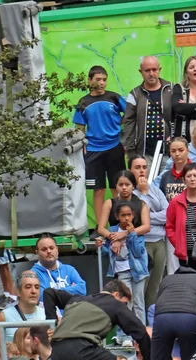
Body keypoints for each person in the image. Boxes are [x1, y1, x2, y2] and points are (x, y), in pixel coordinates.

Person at [73, 65, 127, 225]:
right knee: (99, 190)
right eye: (98, 79)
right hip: (93, 150)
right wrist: (82, 144)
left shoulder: (114, 98)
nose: (102, 83)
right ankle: (100, 226)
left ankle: (119, 224)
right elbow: (80, 127)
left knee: (117, 187)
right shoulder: (83, 102)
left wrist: (118, 123)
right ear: (90, 80)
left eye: (104, 79)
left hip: (114, 148)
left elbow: (130, 112)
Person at [98, 201, 149, 331]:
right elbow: (106, 253)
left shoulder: (137, 230)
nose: (126, 218)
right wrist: (103, 246)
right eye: (123, 215)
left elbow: (138, 252)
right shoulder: (112, 231)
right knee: (125, 302)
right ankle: (124, 334)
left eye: (129, 215)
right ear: (117, 216)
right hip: (121, 270)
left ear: (133, 215)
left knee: (138, 303)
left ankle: (141, 331)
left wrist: (131, 234)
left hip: (138, 270)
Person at [129, 155, 170, 305]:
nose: (142, 171)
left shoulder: (156, 190)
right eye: (137, 167)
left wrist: (147, 216)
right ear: (130, 170)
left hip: (159, 241)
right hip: (141, 243)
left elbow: (167, 215)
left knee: (155, 286)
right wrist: (144, 194)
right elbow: (135, 218)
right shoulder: (129, 192)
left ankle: (151, 317)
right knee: (141, 286)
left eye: (144, 167)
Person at [124, 56, 172, 163]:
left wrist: (176, 138)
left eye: (154, 69)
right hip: (144, 153)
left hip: (169, 151)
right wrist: (131, 150)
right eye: (147, 70)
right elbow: (129, 122)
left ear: (159, 70)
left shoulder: (171, 89)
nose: (151, 73)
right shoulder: (134, 94)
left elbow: (179, 117)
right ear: (140, 72)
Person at [0, 271, 45, 343]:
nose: (33, 291)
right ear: (18, 291)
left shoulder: (46, 314)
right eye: (28, 287)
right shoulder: (4, 316)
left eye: (37, 287)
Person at [31, 234, 87, 301]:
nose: (49, 251)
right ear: (37, 253)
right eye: (44, 249)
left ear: (57, 250)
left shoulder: (69, 270)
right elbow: (42, 297)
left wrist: (52, 293)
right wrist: (71, 289)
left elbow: (82, 290)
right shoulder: (33, 275)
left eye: (51, 248)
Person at [97, 170, 148, 240]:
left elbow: (146, 227)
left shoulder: (141, 204)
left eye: (127, 185)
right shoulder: (109, 203)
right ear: (116, 186)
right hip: (114, 242)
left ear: (133, 186)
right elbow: (101, 229)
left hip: (135, 242)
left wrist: (125, 233)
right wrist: (114, 237)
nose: (124, 188)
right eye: (120, 185)